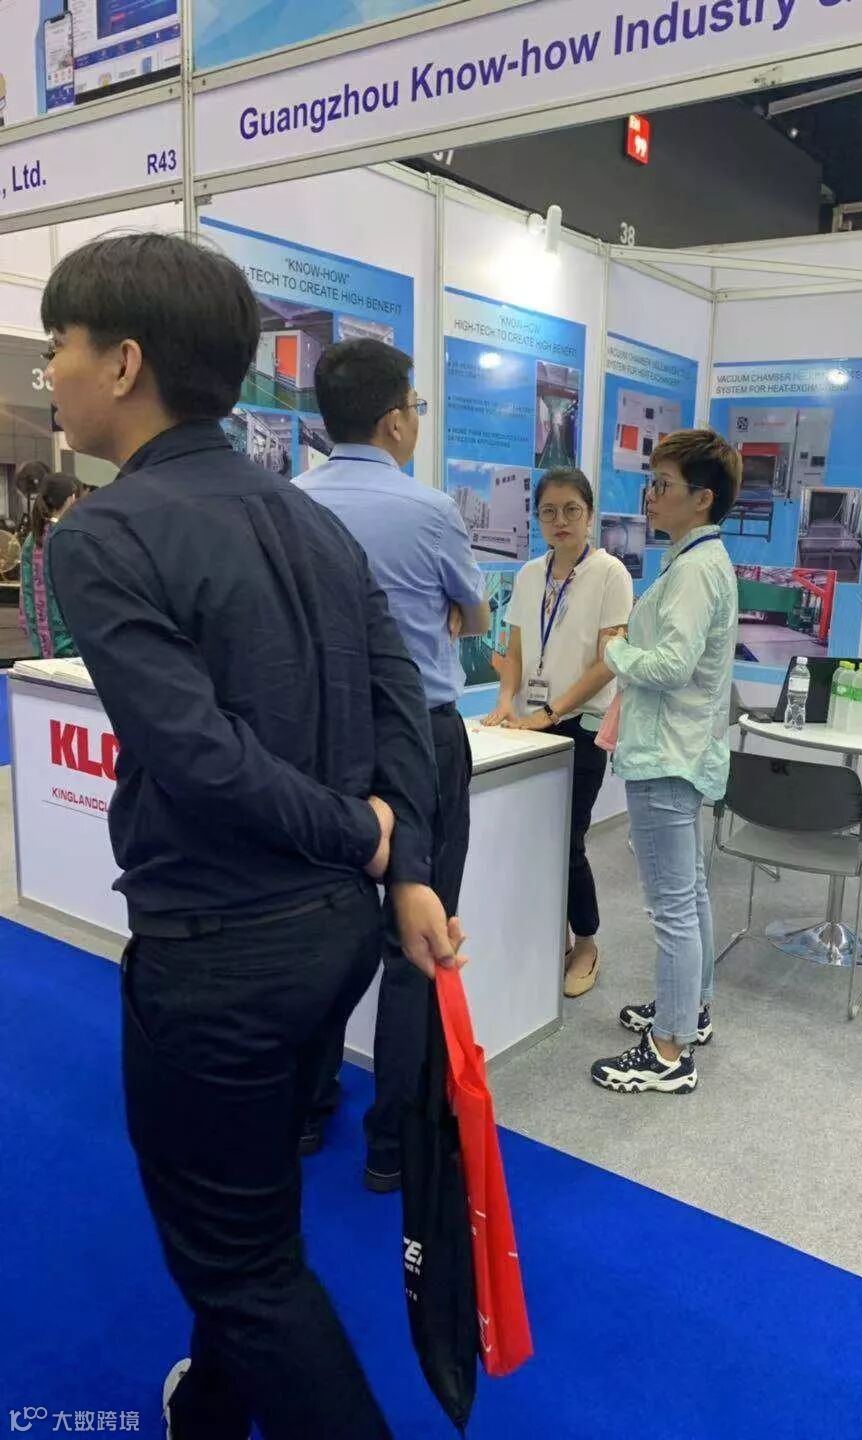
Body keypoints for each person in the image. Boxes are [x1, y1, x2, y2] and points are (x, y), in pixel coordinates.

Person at [44, 231, 462, 1440]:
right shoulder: (308, 517)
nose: (51, 374)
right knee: (251, 1210)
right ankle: (213, 1412)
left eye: (60, 347)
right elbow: (406, 703)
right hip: (331, 941)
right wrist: (398, 858)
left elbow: (198, 757)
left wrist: (375, 843)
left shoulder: (101, 535)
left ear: (125, 363)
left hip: (220, 956)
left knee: (240, 1267)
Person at [297, 337, 488, 1185]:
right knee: (420, 933)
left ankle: (306, 1111)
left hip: (322, 746)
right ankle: (393, 1144)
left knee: (322, 926)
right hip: (420, 739)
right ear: (394, 421)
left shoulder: (290, 502)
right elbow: (475, 617)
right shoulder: (430, 510)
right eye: (414, 406)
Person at [591, 429, 740, 1097]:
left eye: (663, 485)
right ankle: (690, 1010)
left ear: (702, 498)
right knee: (691, 895)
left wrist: (616, 650)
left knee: (673, 908)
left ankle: (669, 1052)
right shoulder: (698, 561)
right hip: (682, 750)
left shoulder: (695, 571)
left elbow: (672, 667)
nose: (650, 497)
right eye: (651, 483)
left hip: (665, 755)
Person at [484, 468, 633, 996]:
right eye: (548, 511)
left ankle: (586, 941)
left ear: (589, 515)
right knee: (532, 837)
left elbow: (608, 662)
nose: (560, 520)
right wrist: (505, 701)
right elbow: (516, 650)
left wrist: (550, 713)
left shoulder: (610, 573)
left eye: (572, 509)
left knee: (567, 839)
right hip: (530, 723)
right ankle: (554, 935)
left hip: (580, 726)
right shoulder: (529, 574)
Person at [19, 472, 78, 658]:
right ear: (70, 499)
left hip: (39, 638)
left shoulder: (32, 538)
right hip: (69, 640)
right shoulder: (68, 536)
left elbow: (25, 590)